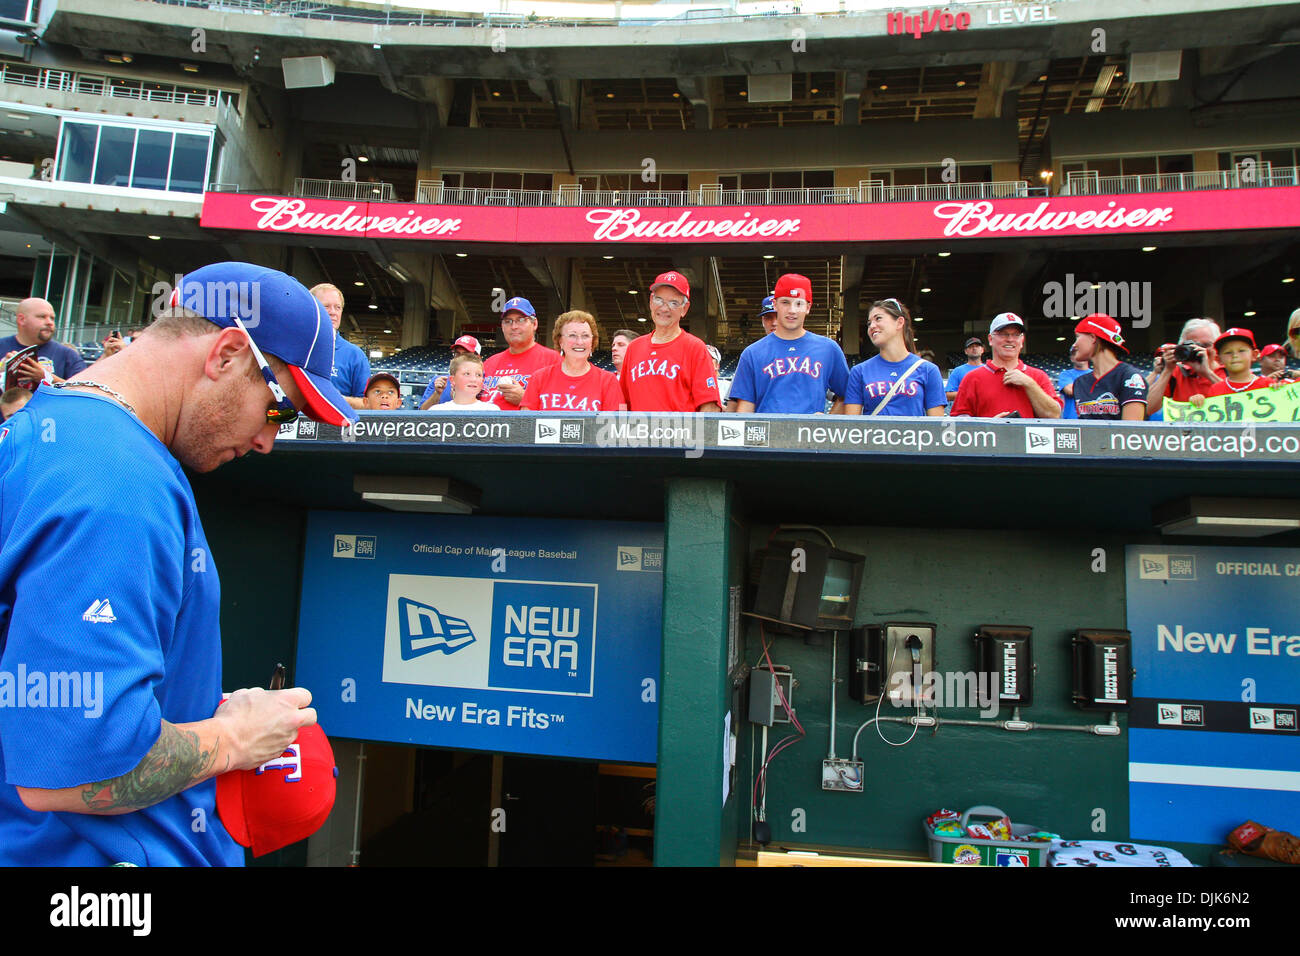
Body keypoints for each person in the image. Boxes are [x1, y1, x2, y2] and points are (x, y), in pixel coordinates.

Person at [0, 261, 350, 866]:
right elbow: (76, 769)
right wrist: (237, 737)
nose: (271, 439)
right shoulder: (117, 481)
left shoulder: (64, 429)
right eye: (280, 409)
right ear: (228, 354)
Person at [729, 274, 848, 414]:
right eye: (785, 302)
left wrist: (826, 425)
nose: (792, 310)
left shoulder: (828, 349)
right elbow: (745, 408)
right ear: (775, 304)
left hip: (808, 434)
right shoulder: (752, 353)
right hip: (767, 433)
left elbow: (847, 396)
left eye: (799, 303)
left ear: (808, 307)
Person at [620, 271, 721, 412]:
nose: (664, 308)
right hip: (638, 433)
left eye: (673, 303)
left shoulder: (695, 347)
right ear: (650, 301)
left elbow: (710, 406)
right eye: (659, 300)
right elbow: (623, 402)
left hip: (680, 433)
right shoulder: (634, 348)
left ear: (684, 309)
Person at [841, 297, 944, 417]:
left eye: (878, 318)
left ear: (900, 322)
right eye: (869, 323)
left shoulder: (928, 370)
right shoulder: (859, 371)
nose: (872, 326)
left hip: (912, 435)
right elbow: (852, 426)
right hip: (874, 435)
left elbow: (937, 427)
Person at [952, 312, 1062, 419]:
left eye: (1016, 334)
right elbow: (958, 424)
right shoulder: (972, 378)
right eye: (1003, 334)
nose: (1010, 339)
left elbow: (1054, 415)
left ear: (1022, 340)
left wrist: (1030, 384)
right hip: (989, 437)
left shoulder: (1038, 376)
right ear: (990, 339)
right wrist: (989, 427)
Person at [521, 311, 623, 412]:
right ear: (560, 341)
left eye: (585, 336)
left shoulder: (608, 381)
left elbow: (618, 424)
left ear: (592, 341)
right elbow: (524, 423)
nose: (579, 342)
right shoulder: (539, 378)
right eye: (572, 335)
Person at [482, 297, 560, 410]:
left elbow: (562, 409)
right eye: (508, 321)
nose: (514, 327)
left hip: (525, 427)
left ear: (534, 324)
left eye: (521, 320)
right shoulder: (489, 363)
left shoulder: (553, 360)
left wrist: (526, 399)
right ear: (502, 327)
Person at [1069, 314, 1147, 421]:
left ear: (1093, 337)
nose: (1074, 345)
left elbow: (1131, 432)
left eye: (1077, 337)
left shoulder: (1130, 377)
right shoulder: (1080, 382)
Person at [1145, 317, 1223, 418]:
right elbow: (1148, 408)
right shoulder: (1177, 373)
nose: (1199, 349)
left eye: (1206, 345)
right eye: (1192, 346)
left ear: (1217, 348)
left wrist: (1207, 373)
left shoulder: (1228, 371)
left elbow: (1240, 400)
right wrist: (1167, 370)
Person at [310, 282, 370, 410]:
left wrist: (336, 399)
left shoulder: (355, 355)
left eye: (337, 307)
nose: (333, 312)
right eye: (326, 306)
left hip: (337, 427)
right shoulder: (294, 348)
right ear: (311, 308)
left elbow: (367, 405)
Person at [0, 298, 86, 386]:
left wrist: (48, 378)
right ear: (22, 319)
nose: (50, 322)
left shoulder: (68, 355)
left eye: (52, 318)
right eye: (42, 317)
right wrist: (2, 371)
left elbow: (84, 390)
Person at [1188, 328, 1273, 404]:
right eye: (1228, 352)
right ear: (1218, 359)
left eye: (1241, 350)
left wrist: (1281, 388)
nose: (1235, 355)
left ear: (1254, 355)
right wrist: (1199, 401)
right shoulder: (1215, 389)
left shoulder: (1268, 384)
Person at [419, 335, 482, 409]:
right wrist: (437, 394)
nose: (460, 357)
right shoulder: (440, 381)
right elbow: (422, 412)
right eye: (457, 353)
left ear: (477, 357)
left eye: (466, 354)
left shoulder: (486, 381)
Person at [432, 352, 497, 411]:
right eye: (467, 374)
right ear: (452, 380)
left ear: (482, 380)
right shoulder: (437, 411)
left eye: (478, 375)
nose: (473, 379)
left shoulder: (492, 410)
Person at [944, 336, 985, 403]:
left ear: (982, 350)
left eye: (977, 346)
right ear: (966, 351)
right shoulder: (958, 371)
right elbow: (947, 395)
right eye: (971, 347)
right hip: (965, 410)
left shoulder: (989, 369)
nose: (974, 348)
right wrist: (969, 393)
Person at [1057, 344, 1091, 419]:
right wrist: (1093, 388)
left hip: (1092, 419)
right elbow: (1070, 390)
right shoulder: (1066, 374)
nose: (1079, 356)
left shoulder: (1096, 373)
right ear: (1072, 358)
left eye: (1082, 353)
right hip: (1071, 420)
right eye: (1075, 354)